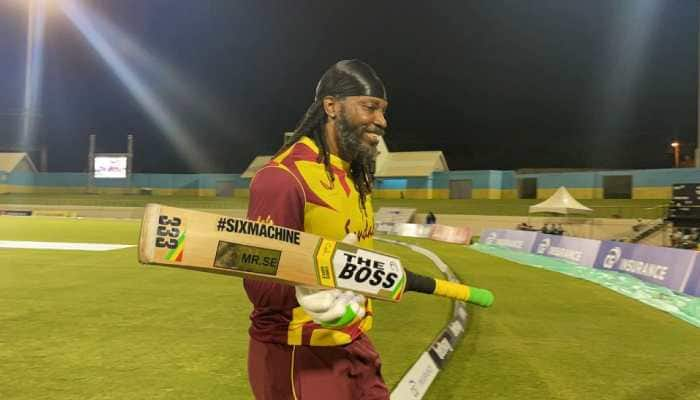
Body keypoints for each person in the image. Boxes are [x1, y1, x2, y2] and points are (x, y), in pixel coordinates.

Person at [244, 60, 390, 399]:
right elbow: (260, 282)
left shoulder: (356, 176)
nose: (381, 121)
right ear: (331, 106)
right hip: (297, 353)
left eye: (383, 111)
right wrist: (317, 278)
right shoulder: (283, 177)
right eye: (370, 107)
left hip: (355, 344)